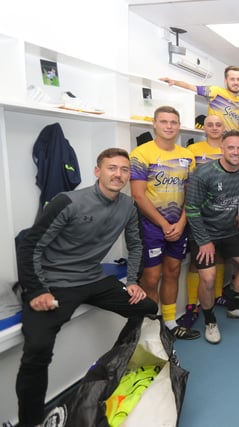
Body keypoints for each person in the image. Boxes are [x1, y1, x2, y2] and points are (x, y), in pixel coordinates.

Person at [16, 148, 158, 427]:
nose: (118, 174)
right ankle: (29, 422)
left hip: (93, 278)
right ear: (98, 171)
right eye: (111, 168)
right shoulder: (67, 202)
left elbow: (136, 244)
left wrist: (132, 282)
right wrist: (36, 290)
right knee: (37, 350)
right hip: (55, 283)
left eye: (124, 170)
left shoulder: (128, 206)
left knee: (147, 307)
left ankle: (117, 369)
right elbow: (29, 245)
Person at [130, 106, 199, 339]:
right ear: (155, 124)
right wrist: (163, 224)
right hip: (150, 226)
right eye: (164, 122)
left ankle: (170, 323)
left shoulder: (187, 156)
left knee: (173, 271)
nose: (169, 126)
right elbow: (138, 195)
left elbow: (191, 195)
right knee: (151, 278)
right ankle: (151, 328)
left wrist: (180, 223)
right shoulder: (141, 153)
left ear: (179, 126)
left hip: (178, 224)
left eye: (173, 122)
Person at [185, 130, 239, 344]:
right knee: (208, 279)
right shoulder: (204, 173)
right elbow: (191, 209)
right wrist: (204, 241)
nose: (235, 152)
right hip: (204, 232)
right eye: (231, 147)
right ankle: (210, 321)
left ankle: (234, 306)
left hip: (229, 231)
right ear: (222, 149)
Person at [181, 113, 226, 325]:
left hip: (223, 213)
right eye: (211, 125)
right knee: (197, 262)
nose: (215, 128)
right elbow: (188, 182)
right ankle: (192, 303)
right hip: (198, 212)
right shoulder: (193, 151)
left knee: (219, 257)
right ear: (204, 128)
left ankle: (217, 295)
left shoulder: (229, 149)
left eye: (218, 125)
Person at [160, 65, 239, 130]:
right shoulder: (216, 91)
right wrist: (174, 82)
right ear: (226, 81)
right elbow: (191, 87)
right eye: (232, 79)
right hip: (218, 141)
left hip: (232, 142)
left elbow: (234, 124)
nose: (236, 82)